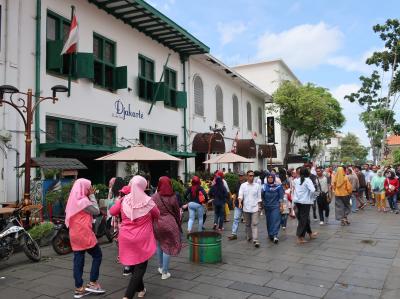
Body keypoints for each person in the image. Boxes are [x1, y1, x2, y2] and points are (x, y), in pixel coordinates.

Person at [109, 176, 160, 299]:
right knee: (140, 267)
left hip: (126, 237)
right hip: (143, 238)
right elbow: (157, 214)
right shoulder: (148, 201)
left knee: (132, 265)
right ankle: (128, 295)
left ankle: (141, 288)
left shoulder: (123, 200)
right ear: (143, 186)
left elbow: (112, 212)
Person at [65, 179, 106, 298]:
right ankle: (93, 283)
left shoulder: (72, 200)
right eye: (89, 187)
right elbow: (96, 211)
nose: (90, 189)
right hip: (84, 233)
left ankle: (79, 288)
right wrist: (92, 195)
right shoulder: (83, 201)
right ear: (84, 188)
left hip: (74, 233)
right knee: (97, 255)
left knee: (78, 259)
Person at [152, 176, 182, 280]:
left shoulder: (154, 197)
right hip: (170, 223)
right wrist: (179, 224)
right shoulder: (173, 197)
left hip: (157, 224)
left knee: (160, 244)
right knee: (168, 246)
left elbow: (151, 211)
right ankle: (165, 272)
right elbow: (177, 213)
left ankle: (160, 267)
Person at [292, 167, 318, 244]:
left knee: (304, 219)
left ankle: (310, 233)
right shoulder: (308, 180)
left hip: (297, 201)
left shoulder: (296, 180)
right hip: (305, 202)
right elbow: (313, 190)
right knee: (303, 219)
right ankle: (300, 236)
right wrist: (313, 197)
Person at [238, 170, 262, 248]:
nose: (252, 177)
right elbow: (240, 195)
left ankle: (255, 239)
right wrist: (240, 202)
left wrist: (259, 206)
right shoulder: (243, 185)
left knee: (254, 224)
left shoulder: (257, 185)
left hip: (255, 207)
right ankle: (249, 236)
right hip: (246, 208)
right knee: (247, 224)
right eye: (250, 176)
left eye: (253, 176)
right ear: (247, 176)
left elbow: (259, 197)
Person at [262, 173, 284, 244]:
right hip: (267, 206)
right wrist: (262, 205)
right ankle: (270, 234)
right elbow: (261, 196)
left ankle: (275, 235)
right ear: (267, 178)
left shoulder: (278, 187)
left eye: (272, 177)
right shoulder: (264, 186)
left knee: (275, 220)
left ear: (274, 178)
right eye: (269, 177)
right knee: (269, 221)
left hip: (276, 206)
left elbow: (281, 197)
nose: (270, 178)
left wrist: (281, 206)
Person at [228, 171, 246, 240]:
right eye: (239, 176)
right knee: (235, 219)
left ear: (244, 176)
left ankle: (248, 234)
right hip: (237, 204)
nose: (240, 177)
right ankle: (234, 234)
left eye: (241, 176)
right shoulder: (237, 184)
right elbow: (235, 194)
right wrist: (233, 202)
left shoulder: (246, 184)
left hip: (246, 205)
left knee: (247, 221)